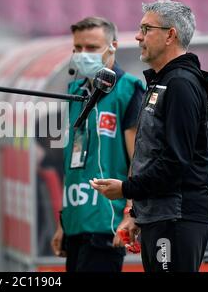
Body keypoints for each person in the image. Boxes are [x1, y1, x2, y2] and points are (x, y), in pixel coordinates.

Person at [91, 1, 208, 272]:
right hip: (161, 215)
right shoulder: (164, 81)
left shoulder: (180, 84)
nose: (138, 36)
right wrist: (139, 212)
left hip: (177, 216)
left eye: (146, 29)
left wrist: (126, 189)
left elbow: (175, 161)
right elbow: (154, 155)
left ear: (170, 35)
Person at [51, 17, 145, 272]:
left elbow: (138, 160)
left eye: (91, 47)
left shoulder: (128, 90)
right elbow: (73, 164)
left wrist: (130, 213)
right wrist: (63, 222)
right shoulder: (75, 92)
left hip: (107, 222)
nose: (83, 54)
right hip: (76, 221)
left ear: (112, 46)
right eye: (78, 48)